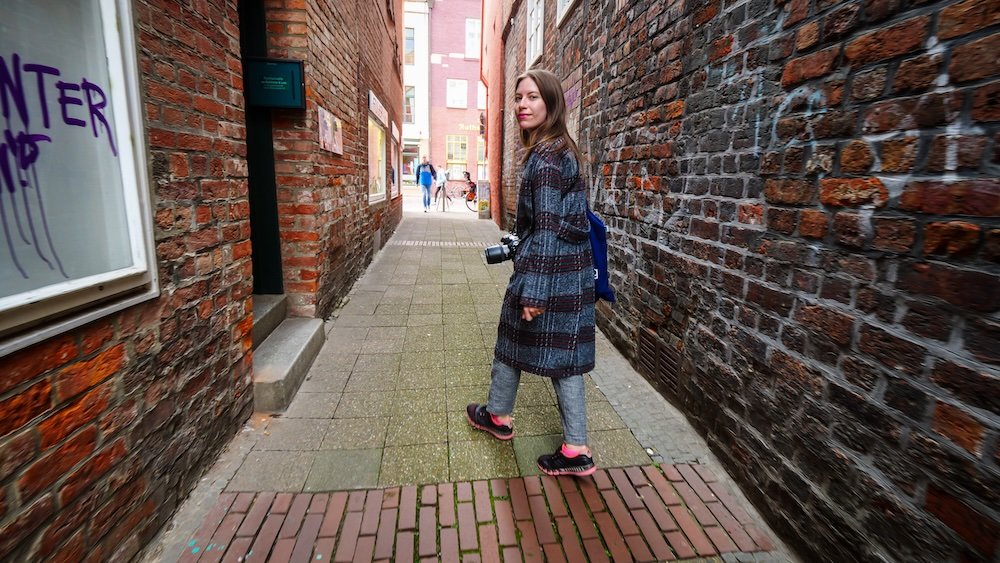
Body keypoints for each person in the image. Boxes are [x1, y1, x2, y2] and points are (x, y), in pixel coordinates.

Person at [465, 69, 597, 476]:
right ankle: (564, 442)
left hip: (549, 273)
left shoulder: (546, 158)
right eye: (519, 97)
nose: (522, 105)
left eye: (533, 97)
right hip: (571, 274)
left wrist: (534, 293)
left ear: (552, 104)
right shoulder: (564, 151)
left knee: (513, 342)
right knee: (565, 357)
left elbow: (548, 227)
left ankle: (506, 419)